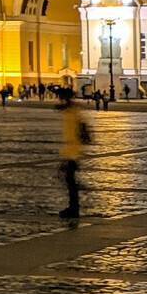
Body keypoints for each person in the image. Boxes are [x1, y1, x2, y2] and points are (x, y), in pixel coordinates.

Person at [57, 89, 89, 218]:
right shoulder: (71, 111)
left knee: (70, 181)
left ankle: (74, 208)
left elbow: (81, 130)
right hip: (70, 151)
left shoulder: (73, 112)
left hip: (72, 152)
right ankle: (73, 206)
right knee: (69, 180)